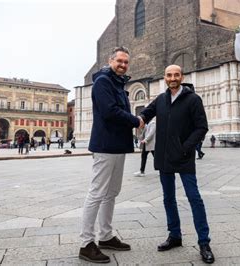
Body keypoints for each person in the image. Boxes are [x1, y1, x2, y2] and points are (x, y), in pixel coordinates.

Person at [140, 65, 215, 264]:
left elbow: (201, 127)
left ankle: (204, 242)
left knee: (194, 198)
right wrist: (134, 119)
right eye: (169, 75)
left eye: (176, 75)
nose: (172, 78)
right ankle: (174, 236)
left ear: (182, 77)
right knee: (168, 199)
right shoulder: (161, 99)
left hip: (183, 157)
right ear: (164, 77)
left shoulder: (193, 99)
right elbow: (145, 114)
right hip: (164, 157)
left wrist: (186, 147)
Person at [79, 46, 143, 263]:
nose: (123, 65)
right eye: (120, 61)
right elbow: (109, 112)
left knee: (111, 192)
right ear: (110, 61)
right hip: (105, 145)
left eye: (126, 62)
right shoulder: (103, 82)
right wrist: (136, 121)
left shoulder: (118, 83)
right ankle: (86, 243)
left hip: (118, 145)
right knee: (97, 193)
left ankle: (105, 236)